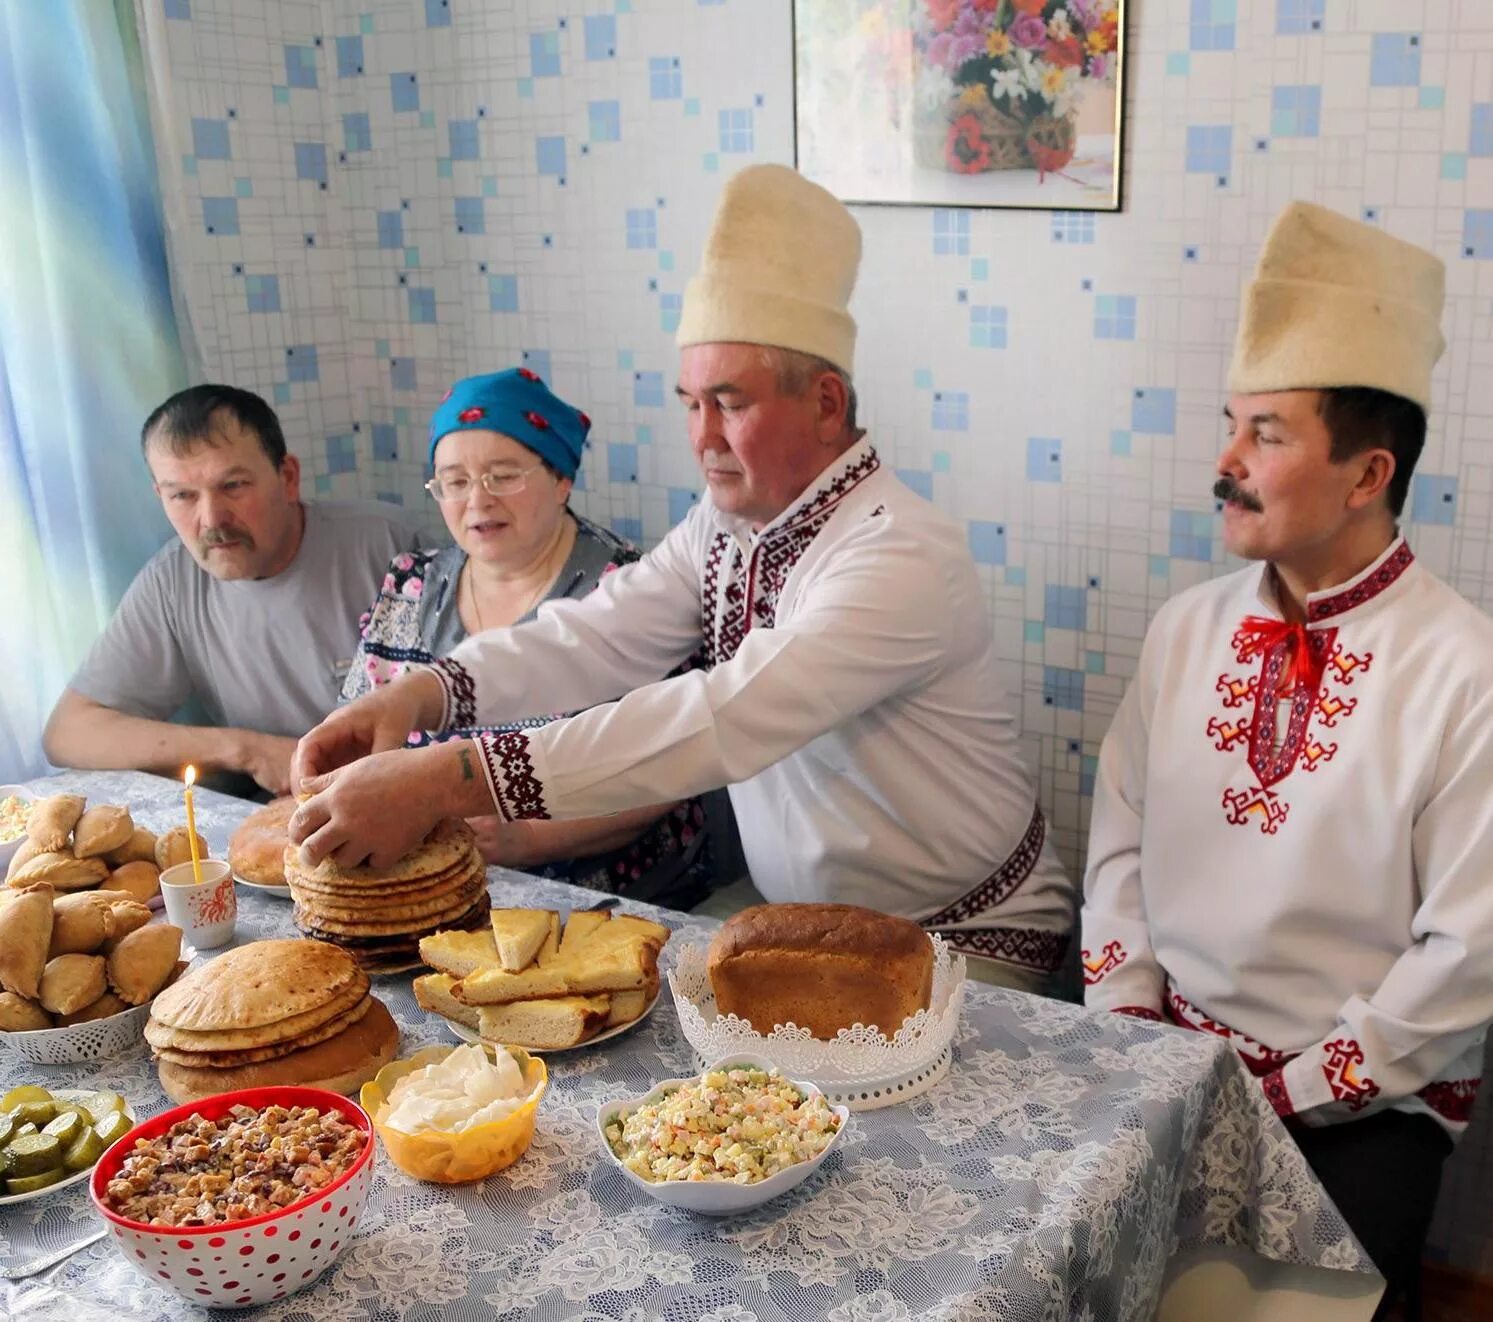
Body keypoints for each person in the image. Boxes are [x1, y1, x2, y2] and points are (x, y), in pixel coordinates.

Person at [289, 163, 1075, 994]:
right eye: (689, 402)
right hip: (804, 925)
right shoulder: (726, 524)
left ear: (825, 402)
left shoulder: (902, 554)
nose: (702, 437)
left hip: (966, 932)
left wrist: (452, 776)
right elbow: (597, 634)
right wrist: (420, 698)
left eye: (730, 403)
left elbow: (724, 718)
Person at [1081, 202, 1493, 1315]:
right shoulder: (1183, 627)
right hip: (1164, 1054)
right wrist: (1128, 1023)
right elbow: (1116, 835)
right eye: (1230, 424)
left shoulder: (1466, 669)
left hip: (1361, 1100)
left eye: (1264, 433)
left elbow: (1463, 957)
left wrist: (1290, 1088)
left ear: (1366, 475)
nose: (1224, 461)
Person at [345, 367, 731, 907]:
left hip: (606, 895)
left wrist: (524, 838)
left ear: (562, 479)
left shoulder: (631, 588)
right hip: (434, 886)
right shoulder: (411, 582)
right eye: (454, 482)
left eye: (503, 475)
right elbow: (368, 731)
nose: (477, 501)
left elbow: (671, 765)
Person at [43, 384, 420, 797]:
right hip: (279, 810)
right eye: (183, 496)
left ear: (288, 477)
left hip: (401, 794)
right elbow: (68, 733)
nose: (211, 519)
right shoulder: (173, 581)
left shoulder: (390, 547)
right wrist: (247, 750)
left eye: (234, 486)